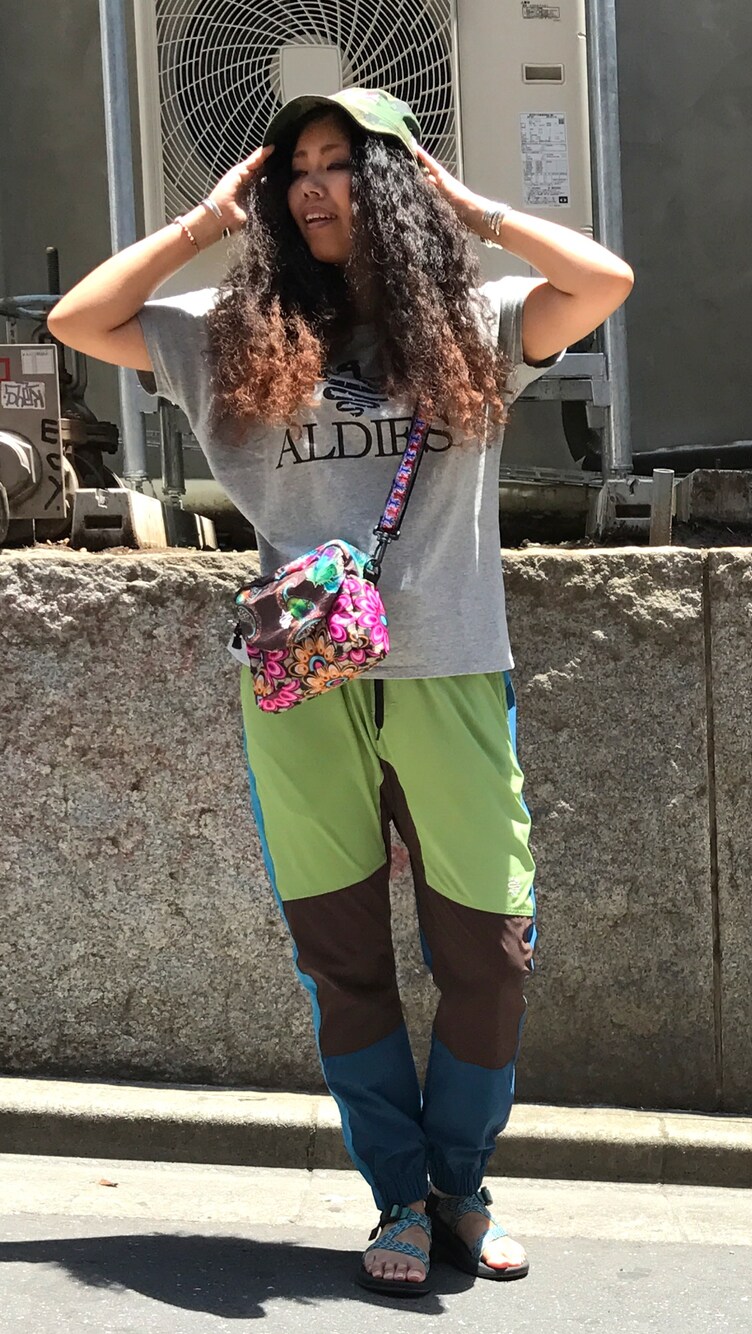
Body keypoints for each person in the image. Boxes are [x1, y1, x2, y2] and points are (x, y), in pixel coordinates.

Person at [49, 87, 633, 1297]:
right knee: (342, 954)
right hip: (301, 681)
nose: (316, 185)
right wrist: (206, 220)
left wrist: (473, 208)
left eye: (345, 162)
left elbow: (604, 280)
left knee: (491, 950)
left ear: (398, 184)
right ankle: (398, 1196)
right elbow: (78, 317)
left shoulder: (473, 322)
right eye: (299, 167)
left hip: (449, 663)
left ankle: (461, 1180)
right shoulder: (230, 329)